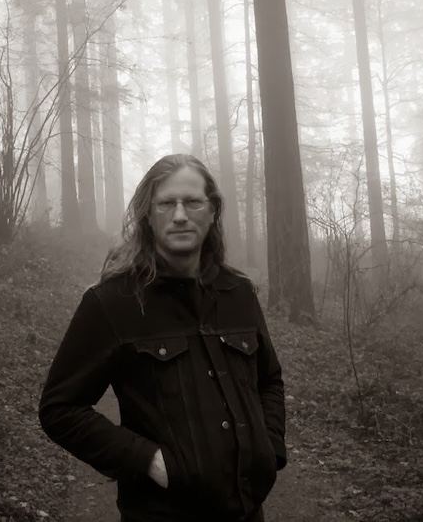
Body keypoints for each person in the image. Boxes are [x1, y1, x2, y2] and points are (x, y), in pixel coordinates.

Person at [38, 154, 287, 522]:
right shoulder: (113, 302)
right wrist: (148, 460)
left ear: (213, 211)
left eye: (193, 202)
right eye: (167, 203)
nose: (180, 215)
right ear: (148, 216)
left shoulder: (238, 292)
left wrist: (269, 447)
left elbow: (269, 379)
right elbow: (60, 409)